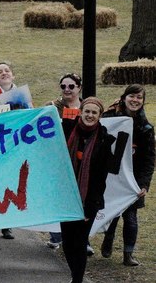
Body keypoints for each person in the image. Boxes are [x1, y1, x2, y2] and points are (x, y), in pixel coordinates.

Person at [61, 97, 125, 283]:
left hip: (88, 200)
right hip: (65, 196)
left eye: (94, 113)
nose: (89, 115)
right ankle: (75, 275)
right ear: (80, 111)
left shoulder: (104, 140)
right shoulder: (67, 130)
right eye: (86, 111)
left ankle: (77, 280)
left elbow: (100, 179)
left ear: (100, 116)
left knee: (79, 242)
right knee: (67, 242)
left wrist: (90, 207)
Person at [101, 84, 155, 266]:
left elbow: (149, 159)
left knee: (131, 217)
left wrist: (144, 184)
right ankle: (108, 239)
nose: (135, 100)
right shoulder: (110, 117)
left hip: (133, 178)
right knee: (113, 212)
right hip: (113, 174)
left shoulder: (146, 127)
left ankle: (128, 254)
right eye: (132, 96)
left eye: (139, 97)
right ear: (124, 98)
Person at [45, 72, 83, 249]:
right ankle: (56, 235)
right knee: (57, 197)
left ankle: (83, 239)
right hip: (57, 160)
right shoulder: (52, 107)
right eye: (63, 86)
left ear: (79, 88)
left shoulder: (87, 107)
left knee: (79, 198)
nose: (67, 89)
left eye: (71, 86)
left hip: (80, 160)